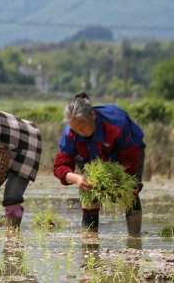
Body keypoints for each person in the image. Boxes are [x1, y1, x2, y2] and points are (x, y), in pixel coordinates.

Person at [54, 92, 146, 235]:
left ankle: (135, 238)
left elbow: (130, 160)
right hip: (93, 157)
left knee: (130, 189)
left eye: (83, 128)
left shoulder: (116, 125)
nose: (79, 132)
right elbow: (60, 166)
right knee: (89, 191)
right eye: (75, 129)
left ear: (93, 116)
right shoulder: (70, 134)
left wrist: (118, 183)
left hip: (129, 151)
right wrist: (77, 179)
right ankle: (90, 239)